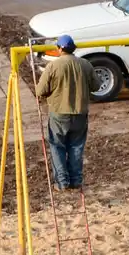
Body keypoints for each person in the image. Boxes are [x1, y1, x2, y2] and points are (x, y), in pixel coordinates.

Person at [35, 34, 100, 191]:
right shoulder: (85, 64)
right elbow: (96, 86)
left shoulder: (53, 66)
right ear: (73, 49)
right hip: (80, 113)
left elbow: (40, 90)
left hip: (59, 113)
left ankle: (62, 182)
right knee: (76, 146)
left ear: (59, 49)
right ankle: (76, 180)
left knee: (57, 146)